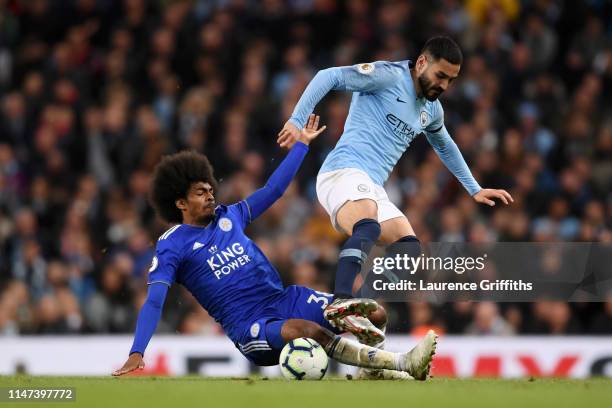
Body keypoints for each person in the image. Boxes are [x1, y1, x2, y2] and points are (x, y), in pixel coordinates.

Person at [112, 115, 437, 380]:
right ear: (180, 202)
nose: (211, 195)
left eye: (210, 189)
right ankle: (402, 364)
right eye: (200, 192)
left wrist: (302, 146)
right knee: (307, 331)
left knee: (372, 312)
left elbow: (274, 189)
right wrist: (137, 351)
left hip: (285, 299)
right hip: (250, 326)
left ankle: (371, 374)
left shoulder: (231, 216)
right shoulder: (172, 245)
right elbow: (155, 300)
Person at [277, 36, 514, 322]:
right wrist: (296, 118)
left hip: (371, 186)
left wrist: (474, 189)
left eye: (451, 80)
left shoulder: (432, 110)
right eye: (441, 76)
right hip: (341, 172)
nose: (444, 86)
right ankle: (341, 302)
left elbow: (444, 145)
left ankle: (359, 310)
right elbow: (328, 76)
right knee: (368, 226)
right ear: (423, 63)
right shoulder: (387, 76)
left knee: (409, 249)